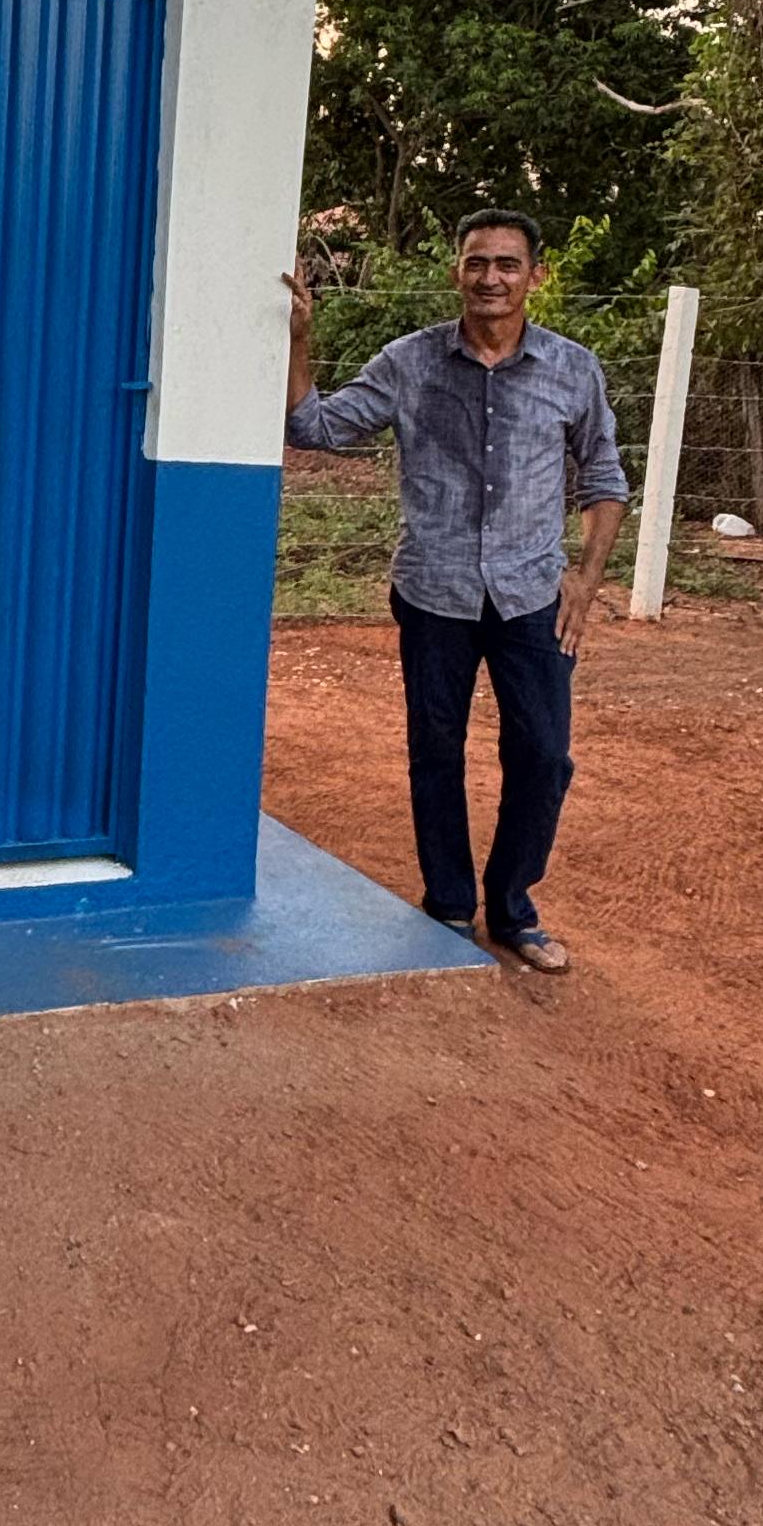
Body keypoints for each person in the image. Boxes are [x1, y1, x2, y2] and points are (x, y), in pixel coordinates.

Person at [284, 209, 627, 973]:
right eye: (477, 263)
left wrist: (588, 575)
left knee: (543, 755)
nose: (491, 279)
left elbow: (604, 479)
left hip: (534, 594)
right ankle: (447, 904)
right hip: (434, 592)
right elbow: (316, 429)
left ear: (535, 276)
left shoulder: (574, 369)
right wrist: (301, 340)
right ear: (456, 274)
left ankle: (513, 908)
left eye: (508, 264)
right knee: (435, 750)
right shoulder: (410, 363)